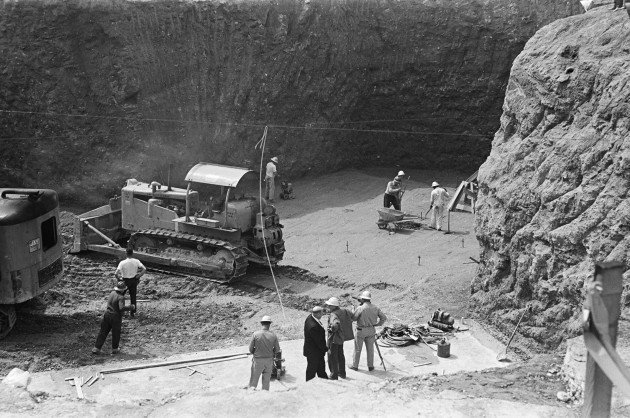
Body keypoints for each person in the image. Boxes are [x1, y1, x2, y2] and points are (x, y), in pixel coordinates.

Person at [92, 281, 135, 355]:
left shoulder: (112, 293)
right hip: (115, 317)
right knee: (116, 333)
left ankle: (96, 348)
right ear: (122, 290)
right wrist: (130, 307)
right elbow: (121, 308)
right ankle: (115, 349)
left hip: (107, 314)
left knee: (103, 332)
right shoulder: (121, 297)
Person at [350, 291, 387, 372]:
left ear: (363, 299)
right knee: (370, 349)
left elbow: (353, 318)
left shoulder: (360, 308)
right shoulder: (375, 308)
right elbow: (383, 318)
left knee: (357, 349)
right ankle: (370, 366)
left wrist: (353, 309)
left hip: (361, 330)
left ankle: (355, 366)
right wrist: (377, 324)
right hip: (371, 330)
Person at [248, 315, 281, 391]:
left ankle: (252, 395)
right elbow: (277, 350)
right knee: (266, 382)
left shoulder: (255, 334)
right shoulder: (273, 335)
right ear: (269, 324)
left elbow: (250, 349)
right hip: (269, 361)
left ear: (261, 323)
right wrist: (270, 353)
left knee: (254, 380)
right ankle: (264, 396)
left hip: (257, 361)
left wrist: (256, 353)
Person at [325, 297, 354, 380]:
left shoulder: (333, 314)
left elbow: (335, 324)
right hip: (341, 338)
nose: (328, 307)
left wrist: (331, 329)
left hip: (334, 339)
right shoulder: (344, 310)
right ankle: (342, 373)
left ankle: (333, 375)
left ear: (334, 306)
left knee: (332, 356)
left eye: (330, 305)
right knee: (340, 355)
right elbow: (352, 315)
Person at [115, 248, 146, 317]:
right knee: (133, 296)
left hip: (125, 281)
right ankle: (132, 312)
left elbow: (116, 273)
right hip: (133, 280)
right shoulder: (136, 261)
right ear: (132, 253)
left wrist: (119, 279)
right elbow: (144, 269)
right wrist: (139, 276)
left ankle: (120, 311)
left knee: (121, 296)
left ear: (126, 253)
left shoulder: (122, 262)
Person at [303, 306, 328, 381]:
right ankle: (309, 385)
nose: (322, 314)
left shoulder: (310, 317)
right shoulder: (313, 326)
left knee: (320, 369)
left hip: (315, 351)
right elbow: (318, 341)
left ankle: (324, 379)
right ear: (318, 313)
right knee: (312, 370)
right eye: (322, 313)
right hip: (314, 352)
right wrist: (326, 349)